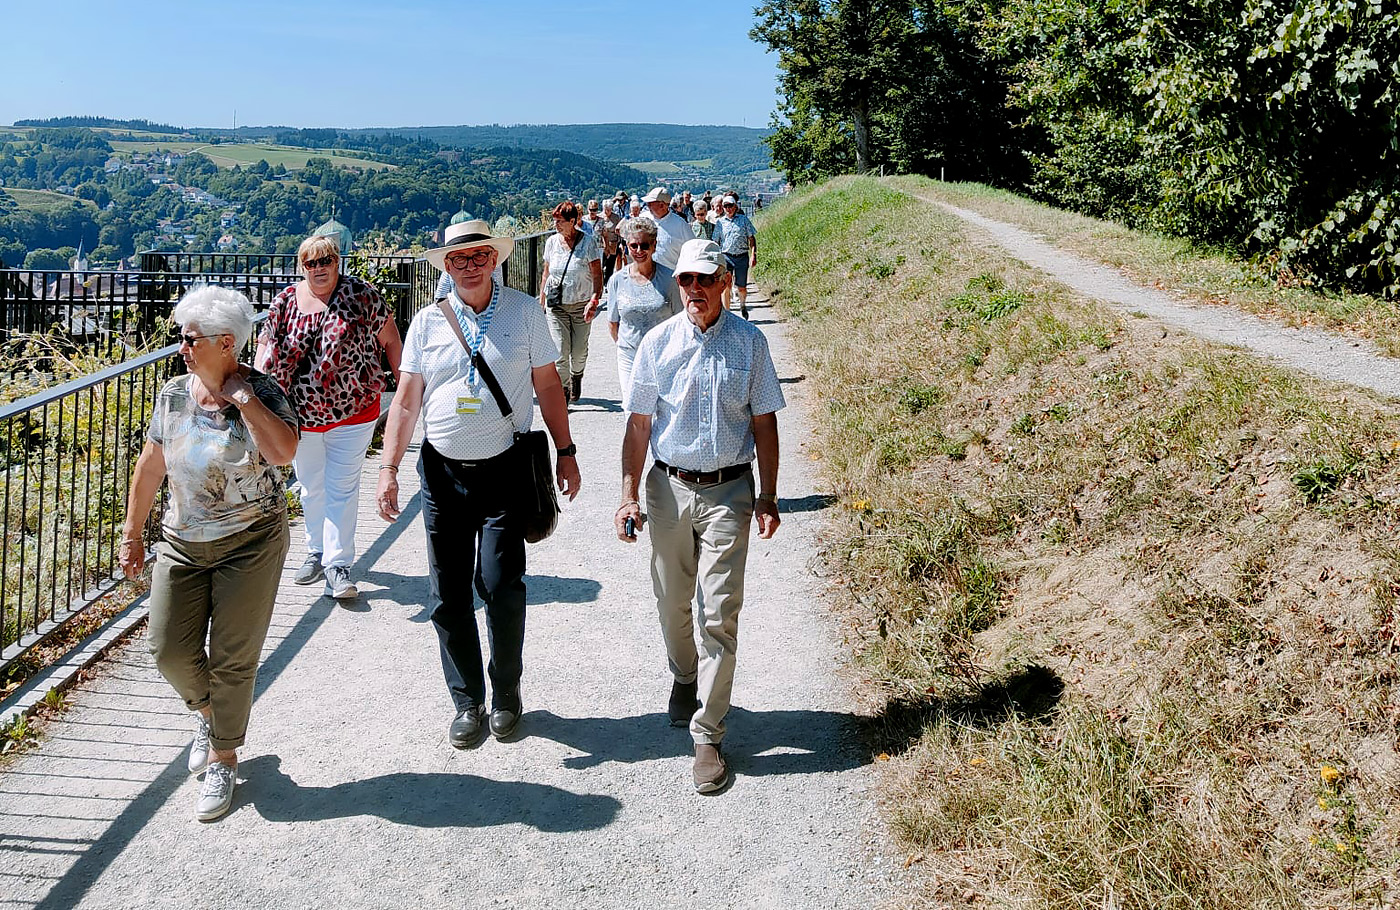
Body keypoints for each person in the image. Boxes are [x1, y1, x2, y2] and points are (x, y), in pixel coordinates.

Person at [377, 219, 580, 748]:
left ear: (496, 258)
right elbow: (405, 401)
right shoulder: (425, 323)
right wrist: (388, 469)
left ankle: (507, 693)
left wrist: (566, 451)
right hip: (442, 473)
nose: (469, 264)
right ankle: (468, 701)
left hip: (505, 470)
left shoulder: (524, 312)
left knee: (500, 586)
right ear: (446, 264)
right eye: (459, 257)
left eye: (479, 255)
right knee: (447, 594)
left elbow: (548, 386)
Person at [120, 286, 300, 820]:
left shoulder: (264, 392)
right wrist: (133, 532)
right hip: (182, 541)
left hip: (252, 543)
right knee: (168, 650)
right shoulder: (174, 393)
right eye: (181, 337)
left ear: (226, 343)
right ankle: (209, 713)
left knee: (232, 659)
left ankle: (223, 757)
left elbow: (284, 453)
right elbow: (152, 465)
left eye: (189, 338)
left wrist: (243, 399)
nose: (181, 346)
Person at [615, 239, 785, 794]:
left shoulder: (750, 344)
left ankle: (708, 734)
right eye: (686, 280)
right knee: (671, 603)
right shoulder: (658, 344)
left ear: (723, 285)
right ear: (679, 284)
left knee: (718, 611)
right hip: (668, 488)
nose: (695, 290)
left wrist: (768, 495)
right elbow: (639, 425)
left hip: (729, 491)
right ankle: (684, 675)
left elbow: (765, 423)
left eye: (705, 280)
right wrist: (628, 494)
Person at [255, 235, 401, 601]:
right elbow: (264, 349)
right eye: (311, 263)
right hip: (299, 415)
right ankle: (316, 550)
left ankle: (338, 565)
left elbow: (391, 339)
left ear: (338, 262)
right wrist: (258, 398)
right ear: (301, 266)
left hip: (354, 410)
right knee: (310, 484)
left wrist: (406, 390)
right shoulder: (285, 303)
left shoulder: (362, 295)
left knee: (341, 486)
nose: (319, 269)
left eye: (326, 261)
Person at [606, 216, 682, 394]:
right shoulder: (617, 280)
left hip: (664, 354)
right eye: (634, 245)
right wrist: (624, 345)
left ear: (654, 246)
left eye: (644, 245)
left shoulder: (669, 279)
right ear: (627, 246)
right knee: (631, 408)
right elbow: (613, 322)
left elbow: (680, 319)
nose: (639, 250)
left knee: (660, 408)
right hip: (629, 354)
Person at [538, 201, 604, 403]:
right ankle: (563, 390)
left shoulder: (588, 243)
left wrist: (595, 298)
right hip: (556, 306)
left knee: (578, 351)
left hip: (581, 305)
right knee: (559, 351)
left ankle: (577, 376)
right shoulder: (551, 243)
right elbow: (546, 273)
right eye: (555, 221)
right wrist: (541, 301)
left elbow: (597, 274)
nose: (556, 225)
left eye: (560, 222)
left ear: (573, 221)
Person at [713, 194, 758, 319]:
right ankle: (727, 313)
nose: (728, 209)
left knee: (741, 287)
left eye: (730, 206)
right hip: (726, 256)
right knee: (726, 285)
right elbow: (715, 241)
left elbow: (751, 238)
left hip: (742, 256)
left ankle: (743, 305)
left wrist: (753, 254)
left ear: (735, 206)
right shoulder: (720, 223)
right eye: (725, 206)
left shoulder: (743, 220)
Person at [640, 186, 693, 271]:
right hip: (647, 274)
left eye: (650, 203)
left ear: (662, 205)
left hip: (671, 276)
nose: (647, 206)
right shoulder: (643, 219)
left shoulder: (680, 225)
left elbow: (692, 249)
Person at [596, 200, 622, 284]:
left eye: (609, 209)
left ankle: (608, 282)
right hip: (601, 245)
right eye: (605, 209)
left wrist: (620, 242)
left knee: (610, 265)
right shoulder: (599, 217)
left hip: (613, 244)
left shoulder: (616, 217)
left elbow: (619, 231)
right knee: (601, 264)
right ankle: (600, 281)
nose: (607, 211)